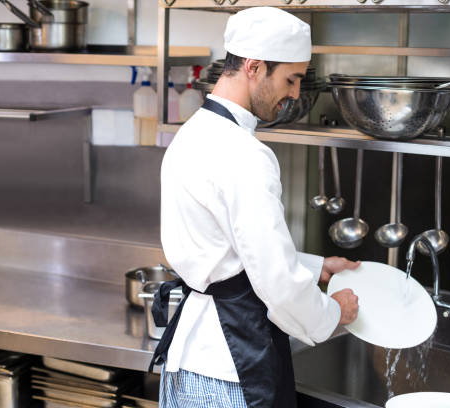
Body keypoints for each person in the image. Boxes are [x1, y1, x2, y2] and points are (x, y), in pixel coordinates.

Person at [152, 6, 360, 407]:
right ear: (253, 67)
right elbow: (277, 283)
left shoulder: (193, 133)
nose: (296, 93)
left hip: (187, 364)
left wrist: (318, 268)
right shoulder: (245, 154)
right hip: (229, 370)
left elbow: (230, 252)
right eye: (291, 78)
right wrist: (333, 312)